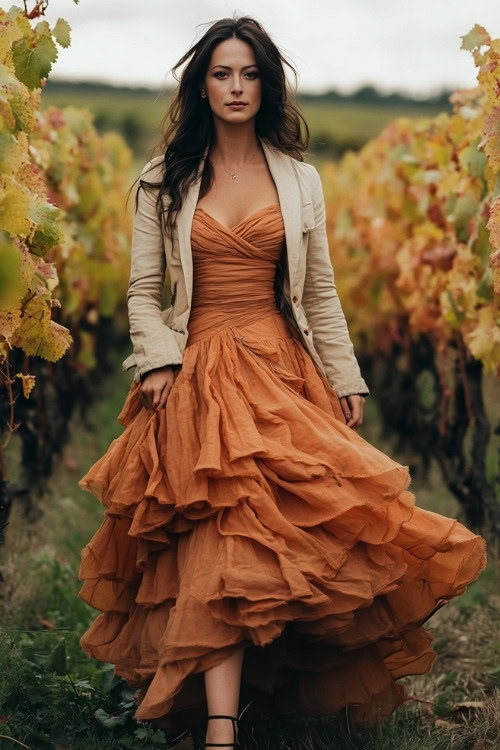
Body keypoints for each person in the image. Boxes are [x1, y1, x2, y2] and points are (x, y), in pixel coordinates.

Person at [77, 14, 487, 750]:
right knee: (220, 535)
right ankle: (222, 727)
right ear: (201, 86)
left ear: (267, 84)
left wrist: (344, 373)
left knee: (292, 539)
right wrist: (160, 359)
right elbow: (144, 290)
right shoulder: (162, 177)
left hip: (279, 363)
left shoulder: (300, 178)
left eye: (249, 74)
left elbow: (320, 291)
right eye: (221, 74)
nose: (236, 87)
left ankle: (267, 687)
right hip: (198, 366)